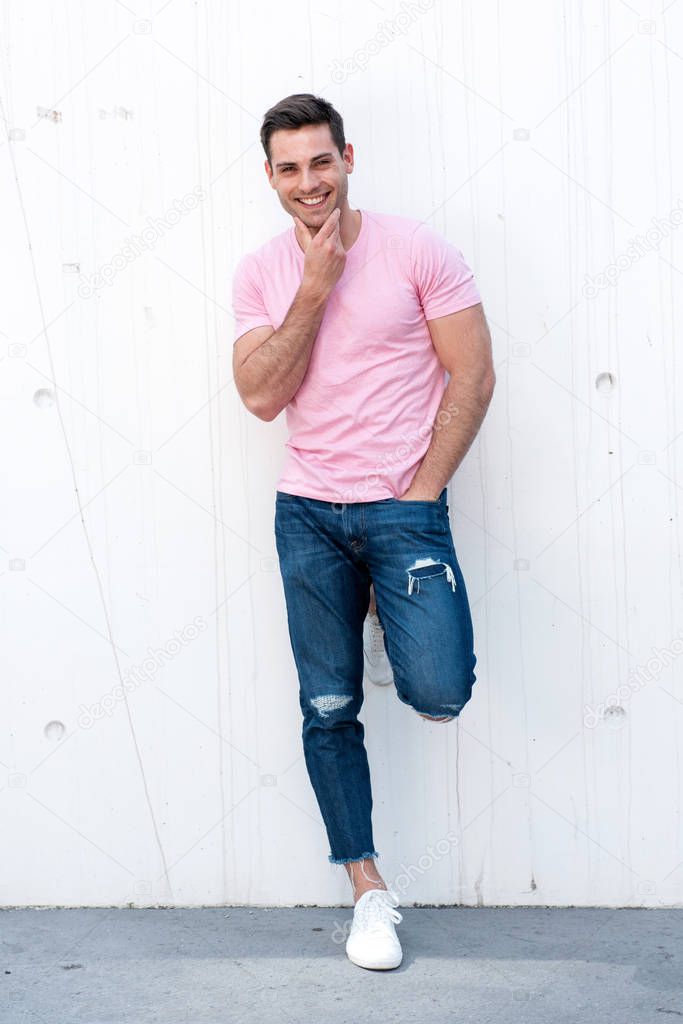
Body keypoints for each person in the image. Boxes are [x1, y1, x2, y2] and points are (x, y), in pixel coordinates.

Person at [232, 93, 495, 970]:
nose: (308, 182)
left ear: (348, 156)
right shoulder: (261, 274)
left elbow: (473, 378)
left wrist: (419, 496)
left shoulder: (418, 250)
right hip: (307, 512)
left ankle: (388, 606)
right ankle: (367, 891)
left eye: (320, 161)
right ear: (269, 176)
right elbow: (262, 395)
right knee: (328, 706)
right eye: (288, 168)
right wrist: (313, 290)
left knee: (438, 692)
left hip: (400, 507)